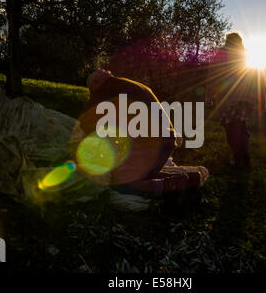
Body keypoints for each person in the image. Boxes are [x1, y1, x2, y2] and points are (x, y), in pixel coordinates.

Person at [70, 69, 207, 199]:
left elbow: (86, 122)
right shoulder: (127, 85)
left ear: (95, 84)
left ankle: (170, 188)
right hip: (167, 140)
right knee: (144, 175)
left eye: (92, 92)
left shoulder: (105, 90)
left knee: (121, 183)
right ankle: (190, 180)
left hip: (151, 142)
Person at [206, 31, 266, 168]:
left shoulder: (222, 55)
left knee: (232, 129)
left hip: (228, 100)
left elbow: (213, 75)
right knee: (240, 126)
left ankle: (241, 158)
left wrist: (209, 95)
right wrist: (262, 100)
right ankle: (243, 157)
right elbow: (260, 78)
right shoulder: (247, 55)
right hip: (245, 101)